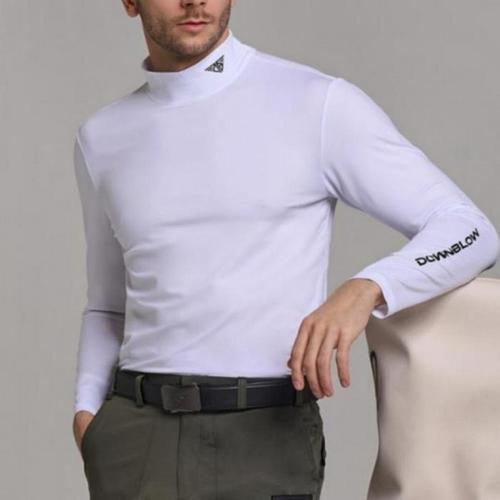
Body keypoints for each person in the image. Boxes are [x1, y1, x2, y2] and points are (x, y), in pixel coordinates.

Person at [71, 1, 500, 499]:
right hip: (136, 437)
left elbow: (470, 231)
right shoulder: (101, 138)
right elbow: (108, 304)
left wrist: (367, 288)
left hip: (266, 434)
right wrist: (87, 414)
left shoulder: (315, 104)